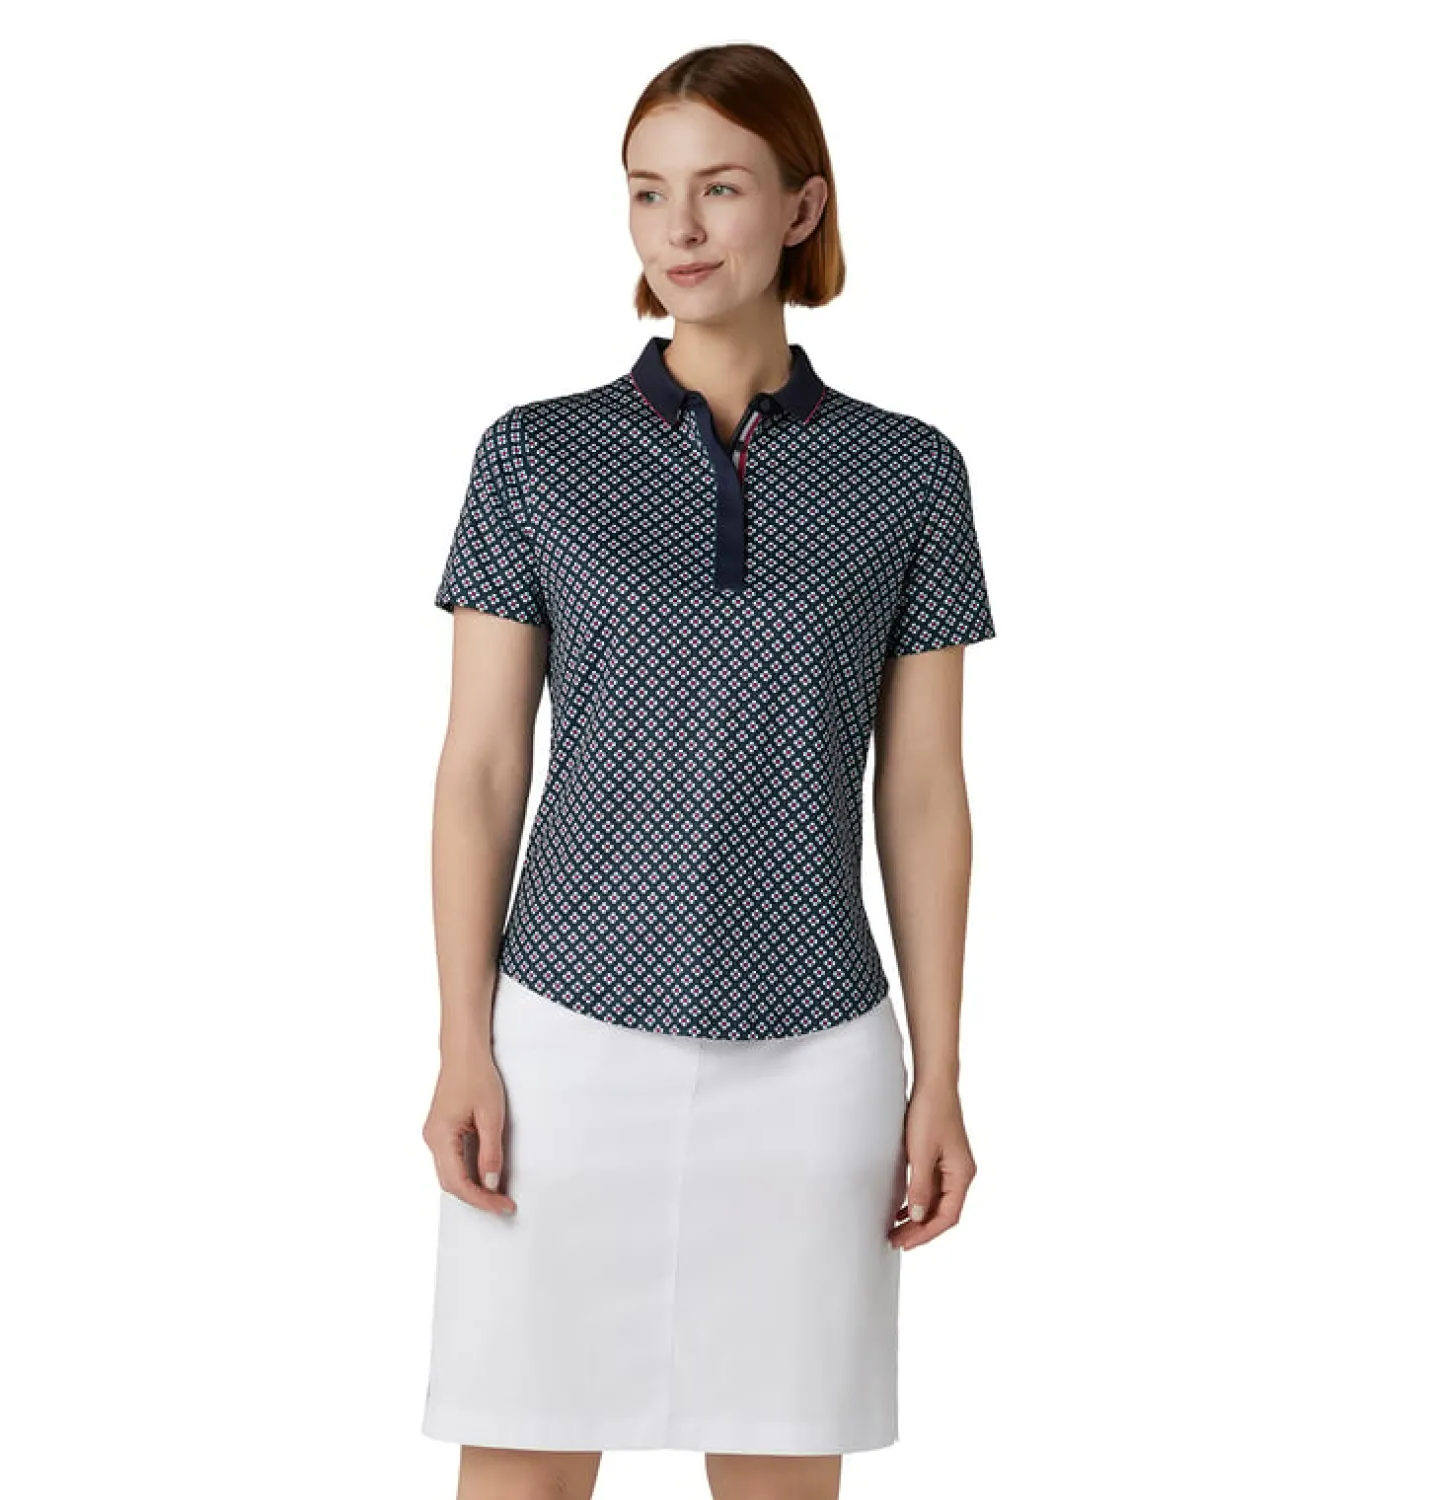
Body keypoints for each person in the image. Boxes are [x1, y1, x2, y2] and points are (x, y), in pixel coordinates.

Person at [418, 41, 996, 1500]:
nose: (677, 228)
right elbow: (480, 766)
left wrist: (940, 1074)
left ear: (801, 207)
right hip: (563, 1038)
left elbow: (924, 791)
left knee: (782, 1469)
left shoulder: (911, 473)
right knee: (522, 1463)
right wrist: (464, 1040)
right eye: (647, 192)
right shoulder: (533, 457)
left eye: (720, 189)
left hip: (815, 1051)